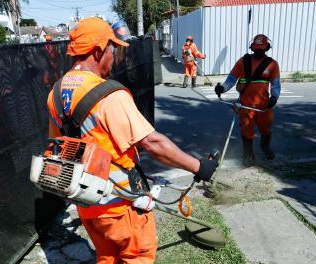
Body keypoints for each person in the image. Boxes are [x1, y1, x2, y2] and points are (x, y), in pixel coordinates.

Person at [47, 17, 218, 264]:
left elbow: (58, 145)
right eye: (111, 49)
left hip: (88, 203)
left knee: (107, 256)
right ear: (97, 51)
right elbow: (152, 143)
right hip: (120, 205)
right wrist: (199, 166)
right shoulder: (108, 94)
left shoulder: (56, 92)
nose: (114, 56)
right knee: (136, 256)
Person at [215, 34, 281, 163]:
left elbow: (276, 84)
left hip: (264, 106)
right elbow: (231, 79)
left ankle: (265, 147)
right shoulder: (243, 61)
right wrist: (222, 88)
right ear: (252, 47)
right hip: (246, 105)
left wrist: (274, 97)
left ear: (267, 48)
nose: (258, 51)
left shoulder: (272, 64)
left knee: (266, 128)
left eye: (261, 49)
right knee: (246, 130)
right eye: (256, 49)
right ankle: (248, 153)